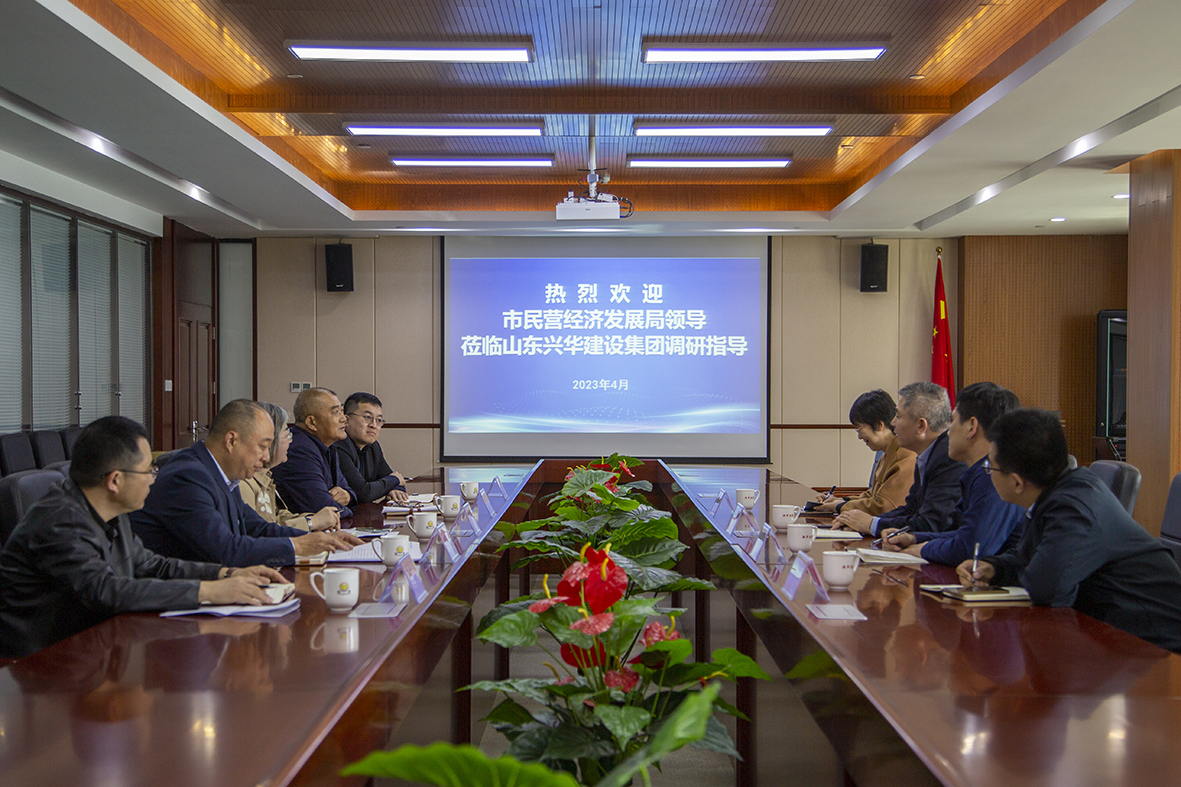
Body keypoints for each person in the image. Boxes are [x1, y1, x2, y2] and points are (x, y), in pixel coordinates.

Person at [0, 416, 287, 658]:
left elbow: (150, 565)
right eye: (148, 470)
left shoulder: (110, 510)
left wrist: (226, 574)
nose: (153, 478)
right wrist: (211, 592)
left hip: (91, 652)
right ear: (115, 480)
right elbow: (107, 592)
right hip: (38, 666)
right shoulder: (61, 523)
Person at [958, 408, 1181, 653]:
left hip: (1156, 649)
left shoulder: (1074, 508)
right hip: (1114, 637)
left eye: (990, 466)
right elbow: (1030, 559)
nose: (988, 472)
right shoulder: (1057, 493)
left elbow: (1046, 590)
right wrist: (993, 568)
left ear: (1017, 482)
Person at [131, 400, 361, 567]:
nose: (266, 457)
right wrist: (297, 546)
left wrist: (315, 539)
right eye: (262, 446)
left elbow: (256, 527)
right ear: (232, 440)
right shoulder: (188, 477)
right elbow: (225, 549)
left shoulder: (219, 472)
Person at [881, 382, 1026, 564]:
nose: (948, 432)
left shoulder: (994, 474)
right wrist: (914, 538)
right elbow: (965, 534)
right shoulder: (982, 471)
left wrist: (924, 548)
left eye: (954, 420)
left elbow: (971, 549)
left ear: (971, 427)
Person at [835, 381, 966, 536]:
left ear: (921, 426)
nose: (892, 422)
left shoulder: (949, 458)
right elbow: (910, 510)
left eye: (898, 416)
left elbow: (931, 523)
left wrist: (871, 524)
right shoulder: (928, 454)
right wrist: (864, 522)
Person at [240, 401, 342, 531]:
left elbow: (277, 517)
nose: (290, 440)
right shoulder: (244, 482)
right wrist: (310, 523)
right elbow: (257, 533)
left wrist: (315, 519)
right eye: (287, 434)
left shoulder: (265, 477)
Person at [814, 389, 916, 516]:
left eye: (860, 430)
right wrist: (841, 501)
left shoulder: (906, 456)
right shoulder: (887, 454)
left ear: (878, 425)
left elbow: (885, 506)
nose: (859, 437)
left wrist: (840, 506)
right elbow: (873, 495)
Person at [271, 387, 356, 518]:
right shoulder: (298, 450)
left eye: (342, 410)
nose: (344, 418)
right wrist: (346, 509)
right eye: (336, 412)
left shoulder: (328, 446)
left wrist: (348, 496)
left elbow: (348, 490)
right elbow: (322, 509)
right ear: (312, 422)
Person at [331, 392, 410, 505]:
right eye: (367, 417)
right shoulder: (338, 447)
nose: (373, 425)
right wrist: (394, 480)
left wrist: (395, 490)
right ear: (346, 420)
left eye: (378, 420)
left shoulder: (373, 446)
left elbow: (394, 481)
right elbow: (364, 493)